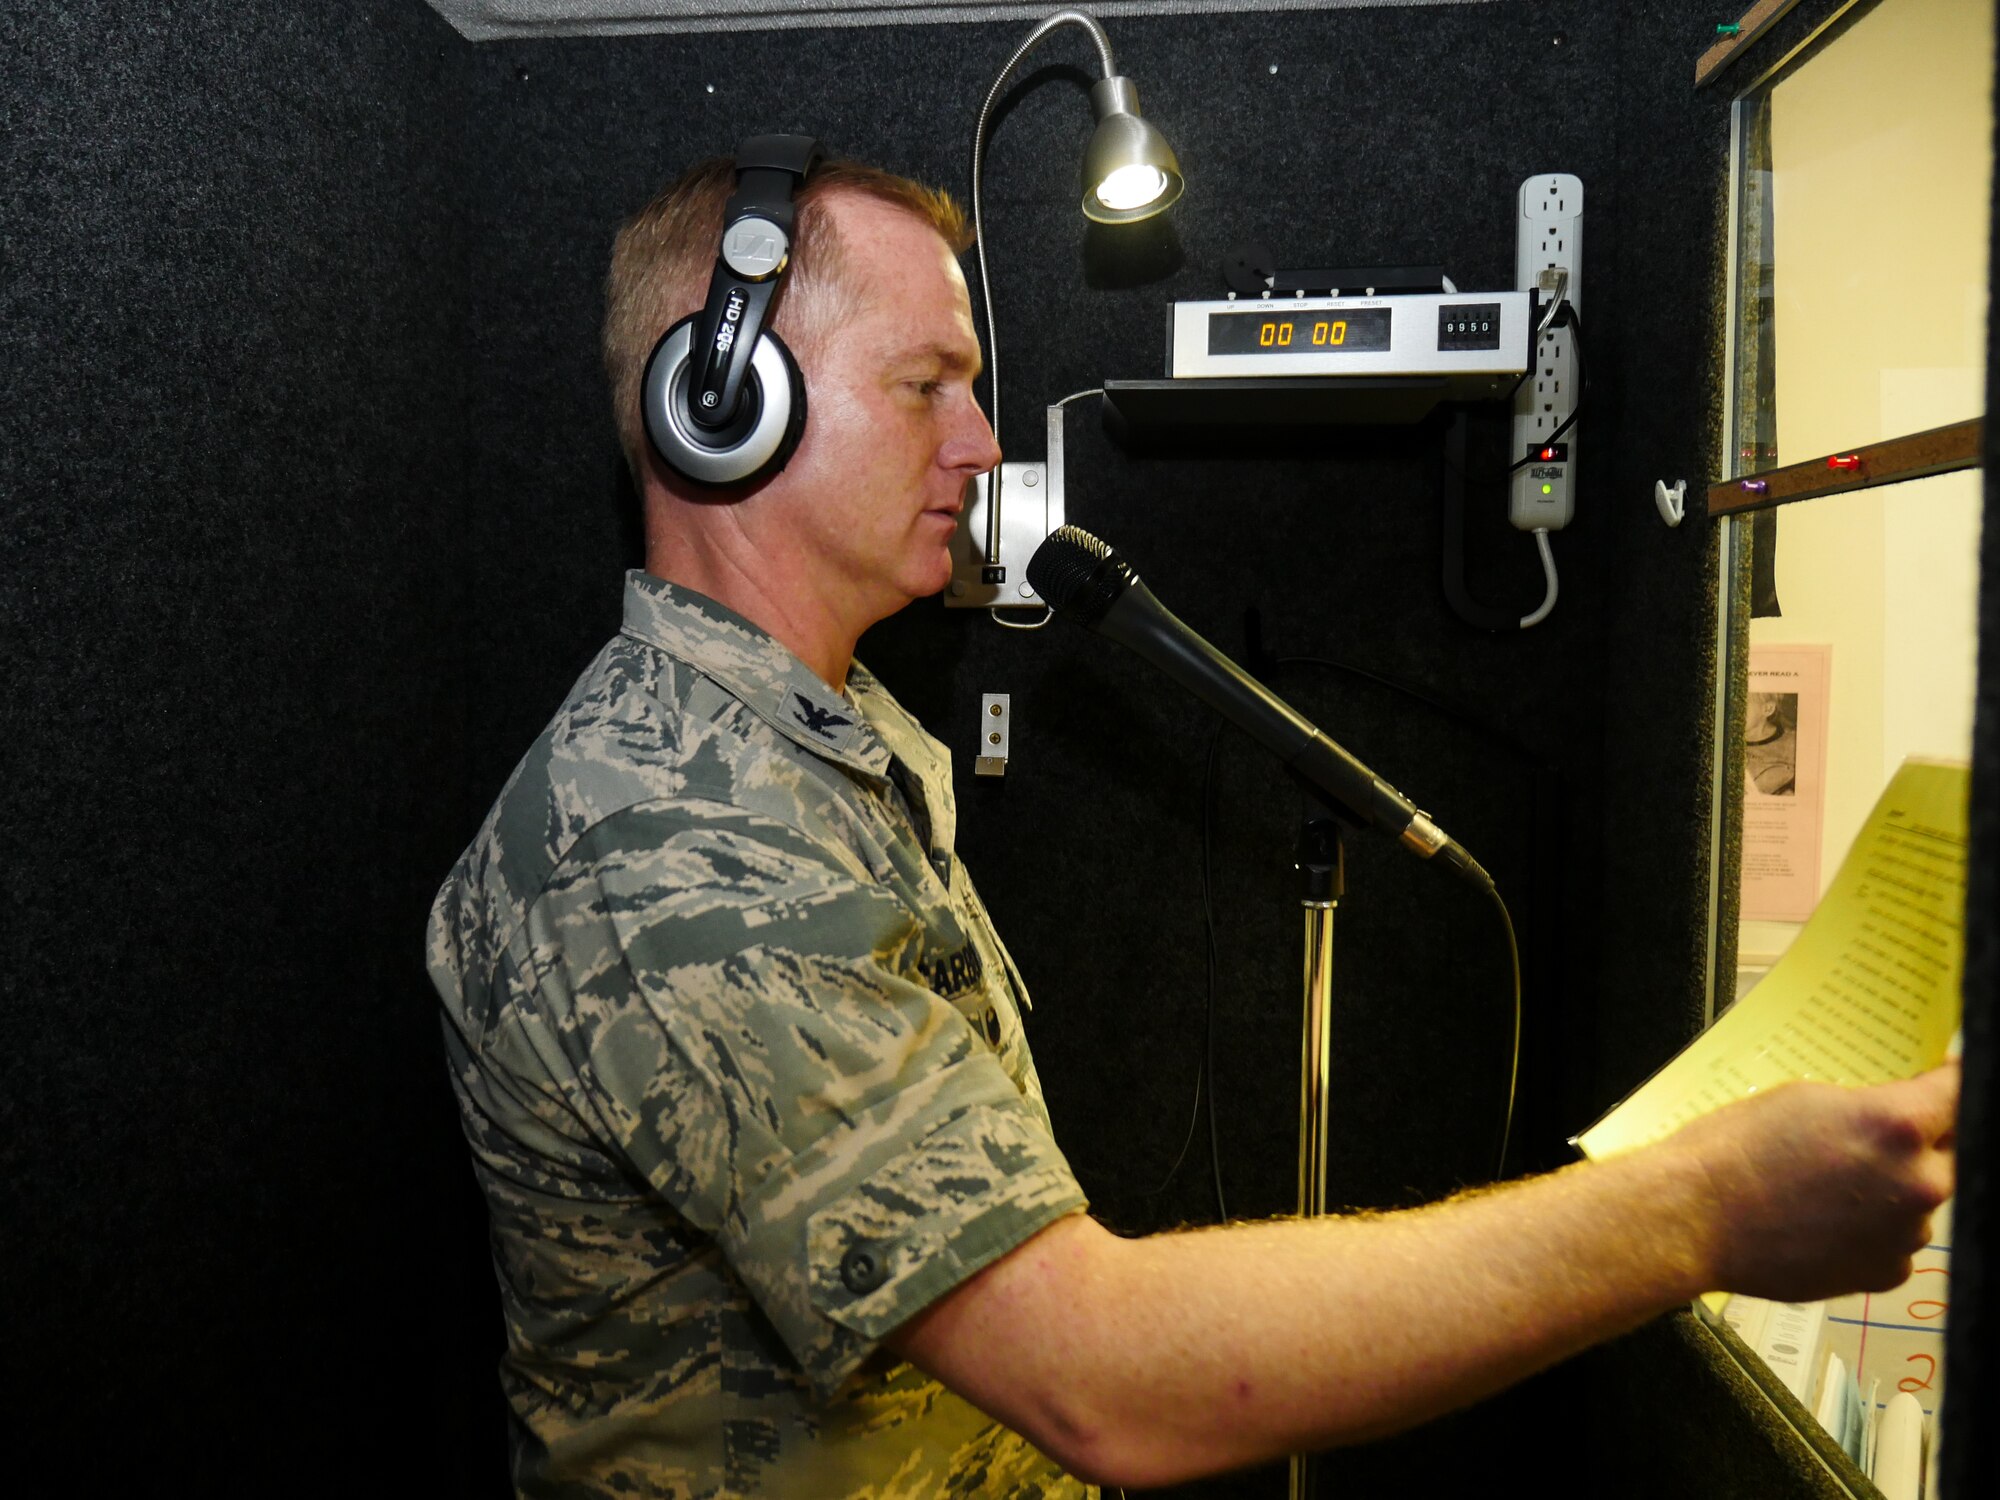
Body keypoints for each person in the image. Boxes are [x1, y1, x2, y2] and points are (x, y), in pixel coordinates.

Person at [427, 150, 1959, 1499]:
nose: (980, 445)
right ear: (722, 400)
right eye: (925, 384)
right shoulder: (670, 833)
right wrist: (1703, 1210)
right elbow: (1098, 1376)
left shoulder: (805, 753)